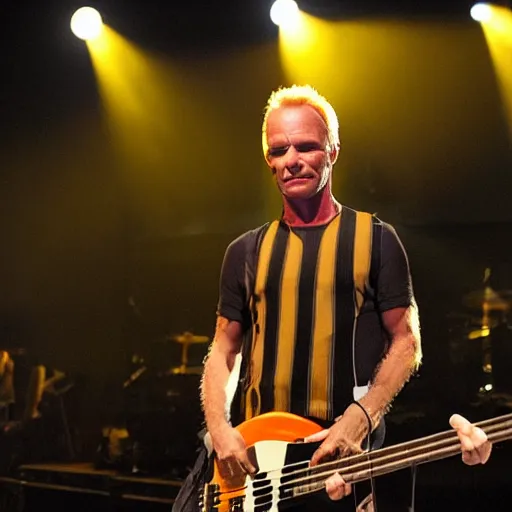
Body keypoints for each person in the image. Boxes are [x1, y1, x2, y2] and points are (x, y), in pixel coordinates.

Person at [173, 85, 492, 511]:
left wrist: (362, 416)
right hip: (256, 463)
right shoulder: (245, 251)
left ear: (333, 151)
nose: (292, 161)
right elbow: (224, 349)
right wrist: (220, 428)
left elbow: (406, 342)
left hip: (339, 463)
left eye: (306, 146)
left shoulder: (376, 239)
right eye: (279, 150)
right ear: (268, 159)